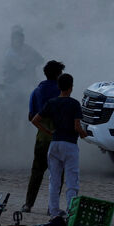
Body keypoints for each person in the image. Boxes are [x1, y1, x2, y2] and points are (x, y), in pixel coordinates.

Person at [31, 73, 88, 218]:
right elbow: (76, 126)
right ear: (71, 87)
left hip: (55, 143)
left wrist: (49, 132)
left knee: (54, 180)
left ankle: (54, 210)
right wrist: (83, 133)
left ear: (59, 87)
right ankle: (71, 211)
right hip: (70, 145)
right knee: (71, 180)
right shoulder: (74, 104)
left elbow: (35, 120)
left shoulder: (51, 102)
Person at [22, 60, 66, 213]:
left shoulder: (36, 91)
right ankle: (51, 208)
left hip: (41, 139)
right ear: (58, 75)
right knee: (57, 174)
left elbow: (30, 116)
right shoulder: (61, 92)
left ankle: (28, 204)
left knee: (37, 172)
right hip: (59, 140)